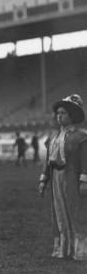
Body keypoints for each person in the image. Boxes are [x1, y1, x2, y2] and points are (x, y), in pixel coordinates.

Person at [38, 94, 87, 260]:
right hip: (56, 178)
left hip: (72, 176)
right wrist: (43, 179)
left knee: (75, 210)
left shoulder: (81, 137)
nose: (59, 116)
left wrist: (84, 180)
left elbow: (85, 160)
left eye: (63, 113)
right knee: (59, 211)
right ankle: (62, 248)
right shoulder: (53, 138)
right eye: (58, 113)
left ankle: (80, 249)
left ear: (72, 115)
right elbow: (48, 160)